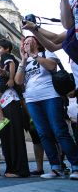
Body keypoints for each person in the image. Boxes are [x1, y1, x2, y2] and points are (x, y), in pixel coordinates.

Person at [15, 36, 78, 180]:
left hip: (51, 96)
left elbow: (51, 66)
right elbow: (18, 81)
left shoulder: (47, 52)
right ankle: (55, 167)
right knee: (43, 133)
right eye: (24, 42)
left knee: (59, 131)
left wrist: (33, 55)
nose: (26, 43)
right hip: (32, 100)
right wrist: (24, 60)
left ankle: (76, 165)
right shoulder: (25, 61)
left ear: (37, 42)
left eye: (30, 40)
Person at [0, 48, 30, 178]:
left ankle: (21, 170)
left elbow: (14, 80)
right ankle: (11, 168)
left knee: (15, 136)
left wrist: (6, 74)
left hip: (10, 102)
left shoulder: (4, 65)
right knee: (5, 138)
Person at [0, 39, 19, 133]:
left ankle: (2, 119)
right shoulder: (8, 56)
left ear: (7, 49)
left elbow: (12, 65)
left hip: (5, 81)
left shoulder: (5, 56)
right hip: (7, 80)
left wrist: (11, 78)